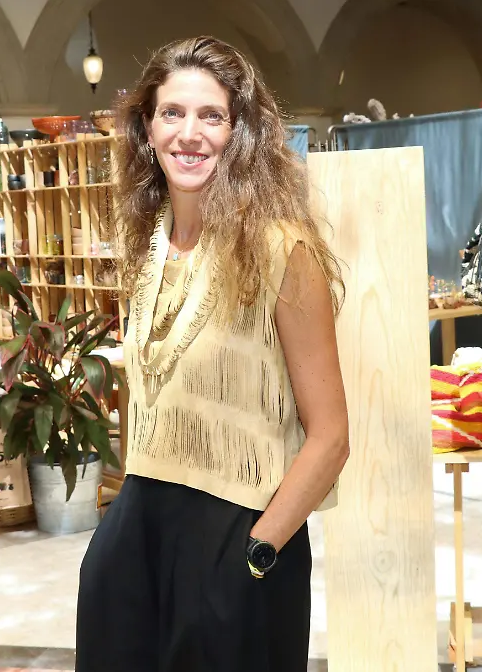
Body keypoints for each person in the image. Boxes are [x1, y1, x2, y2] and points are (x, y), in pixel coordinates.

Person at [75, 36, 349, 671]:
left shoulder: (283, 250)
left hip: (239, 541)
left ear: (240, 132)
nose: (189, 134)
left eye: (212, 116)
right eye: (172, 113)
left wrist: (259, 550)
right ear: (147, 128)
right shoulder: (149, 245)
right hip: (137, 539)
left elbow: (331, 436)